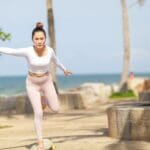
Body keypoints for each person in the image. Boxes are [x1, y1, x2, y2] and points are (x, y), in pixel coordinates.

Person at [0, 22, 72, 150]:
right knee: (38, 112)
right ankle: (39, 141)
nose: (39, 41)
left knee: (55, 109)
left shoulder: (50, 51)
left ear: (45, 39)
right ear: (33, 40)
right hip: (32, 84)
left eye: (41, 38)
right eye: (36, 39)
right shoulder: (28, 51)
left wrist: (64, 69)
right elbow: (12, 51)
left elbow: (56, 60)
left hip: (46, 82)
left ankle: (43, 99)